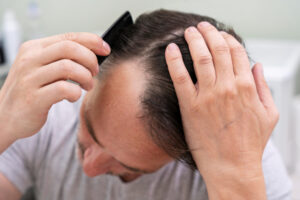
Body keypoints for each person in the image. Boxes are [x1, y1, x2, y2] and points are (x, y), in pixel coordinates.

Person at [0, 9, 291, 200]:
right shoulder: (47, 114)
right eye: (89, 125)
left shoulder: (238, 156)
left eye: (129, 167)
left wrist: (235, 181)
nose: (89, 167)